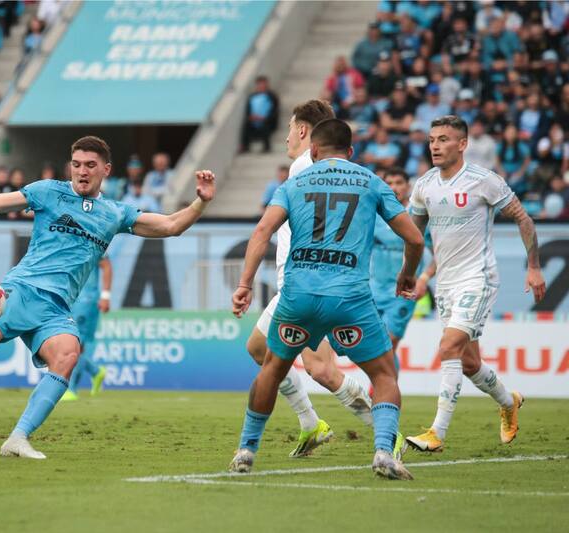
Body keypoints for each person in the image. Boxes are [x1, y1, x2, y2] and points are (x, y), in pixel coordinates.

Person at [0, 136, 216, 459]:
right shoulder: (49, 191)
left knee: (67, 355)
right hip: (23, 290)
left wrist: (200, 201)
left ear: (106, 170)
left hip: (57, 308)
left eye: (90, 165)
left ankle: (17, 438)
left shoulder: (116, 213)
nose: (82, 170)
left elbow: (171, 225)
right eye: (77, 163)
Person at [230, 119, 424, 479]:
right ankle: (383, 451)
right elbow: (414, 239)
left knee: (272, 367)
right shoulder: (370, 181)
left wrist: (244, 283)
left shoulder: (293, 183)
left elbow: (262, 231)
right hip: (349, 297)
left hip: (299, 295)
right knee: (383, 374)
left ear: (313, 150)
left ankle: (246, 450)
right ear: (350, 152)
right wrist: (407, 274)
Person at [246, 101, 379, 461]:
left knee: (321, 369)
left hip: (307, 283)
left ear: (303, 131)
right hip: (302, 281)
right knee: (259, 349)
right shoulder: (328, 169)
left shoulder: (304, 166)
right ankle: (311, 423)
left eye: (290, 127)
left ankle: (387, 434)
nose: (287, 135)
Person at [405, 115, 546, 453]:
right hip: (447, 284)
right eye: (432, 139)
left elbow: (523, 217)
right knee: (468, 363)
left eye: (443, 139)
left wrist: (534, 266)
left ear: (463, 144)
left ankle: (436, 433)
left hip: (478, 279)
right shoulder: (424, 185)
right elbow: (414, 237)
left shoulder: (485, 181)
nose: (435, 146)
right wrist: (410, 273)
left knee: (448, 347)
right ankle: (508, 400)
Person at [370, 168, 431, 357]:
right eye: (389, 183)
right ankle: (383, 386)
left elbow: (440, 253)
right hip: (373, 289)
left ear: (408, 186)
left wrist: (424, 278)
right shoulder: (374, 215)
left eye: (398, 183)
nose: (394, 187)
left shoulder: (419, 216)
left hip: (402, 291)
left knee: (388, 344)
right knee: (377, 349)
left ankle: (380, 387)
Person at [60, 258, 112, 401]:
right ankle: (96, 371)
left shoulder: (90, 237)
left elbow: (106, 264)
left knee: (76, 345)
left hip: (86, 300)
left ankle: (71, 390)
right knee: (68, 344)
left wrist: (106, 296)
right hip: (70, 300)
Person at [240, 76, 279, 153]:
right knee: (246, 125)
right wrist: (252, 117)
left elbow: (274, 111)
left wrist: (263, 118)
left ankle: (266, 147)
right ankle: (245, 146)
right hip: (254, 121)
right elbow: (248, 111)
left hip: (267, 120)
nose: (261, 86)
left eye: (263, 84)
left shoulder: (271, 96)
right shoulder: (252, 97)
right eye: (259, 84)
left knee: (266, 125)